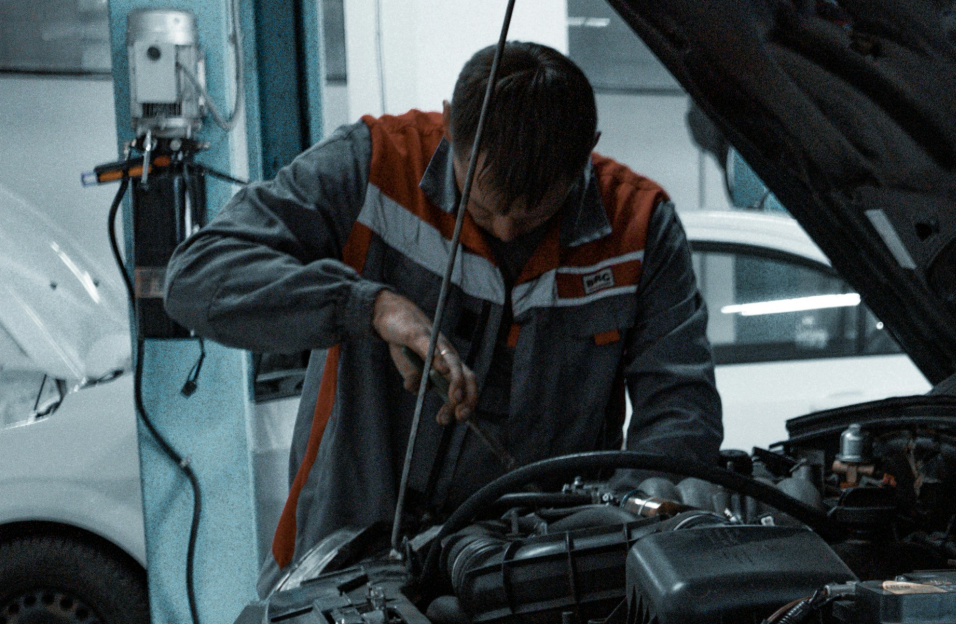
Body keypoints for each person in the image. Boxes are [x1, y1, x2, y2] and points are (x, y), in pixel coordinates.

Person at [163, 42, 722, 572]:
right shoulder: (375, 166)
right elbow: (197, 275)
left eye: (532, 214)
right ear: (453, 122)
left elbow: (678, 405)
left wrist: (642, 508)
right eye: (486, 204)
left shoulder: (639, 227)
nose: (505, 229)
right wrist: (370, 305)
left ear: (588, 147)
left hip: (539, 573)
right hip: (345, 562)